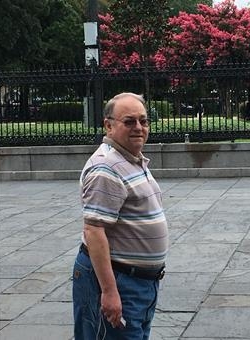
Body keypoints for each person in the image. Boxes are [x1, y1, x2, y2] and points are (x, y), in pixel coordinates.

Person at [73, 92, 169, 340]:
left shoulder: (131, 160)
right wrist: (109, 292)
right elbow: (94, 231)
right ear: (108, 125)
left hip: (138, 285)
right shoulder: (107, 167)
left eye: (143, 121)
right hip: (120, 281)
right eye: (129, 121)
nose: (139, 127)